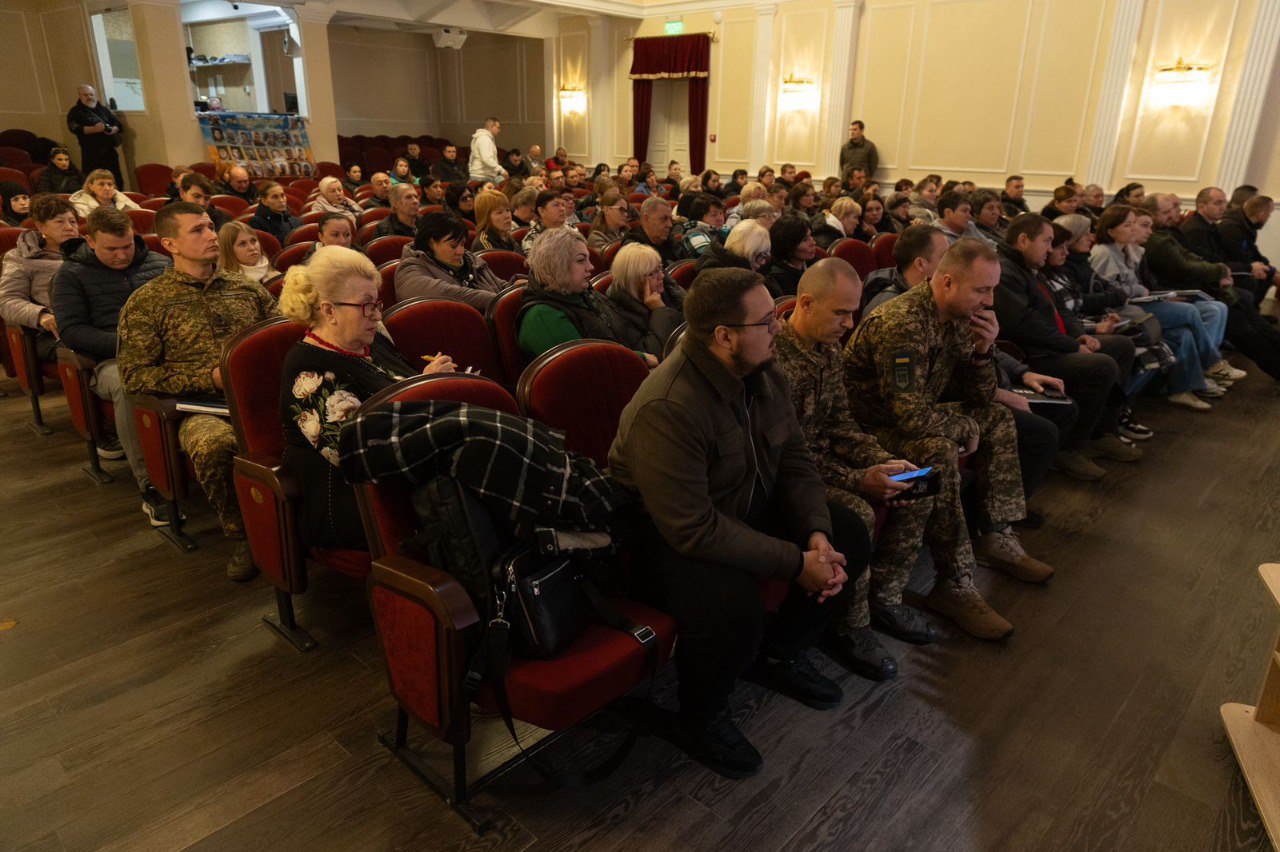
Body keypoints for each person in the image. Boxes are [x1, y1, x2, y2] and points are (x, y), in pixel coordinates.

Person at [609, 265, 864, 779]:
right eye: (768, 321)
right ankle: (701, 715)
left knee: (848, 532)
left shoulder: (762, 374)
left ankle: (780, 655)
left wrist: (814, 533)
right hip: (656, 540)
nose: (780, 326)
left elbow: (794, 460)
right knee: (731, 605)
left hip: (737, 505)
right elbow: (692, 528)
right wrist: (796, 562)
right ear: (724, 336)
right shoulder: (668, 404)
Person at [780, 257, 1013, 662]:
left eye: (852, 312)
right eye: (841, 313)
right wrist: (861, 479)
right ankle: (851, 626)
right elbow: (790, 457)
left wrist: (885, 463)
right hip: (791, 476)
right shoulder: (776, 364)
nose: (851, 324)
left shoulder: (827, 348)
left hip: (833, 456)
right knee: (860, 514)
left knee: (920, 479)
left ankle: (887, 597)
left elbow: (843, 426)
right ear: (805, 303)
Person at [845, 239, 1056, 610]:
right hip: (869, 427)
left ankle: (995, 535)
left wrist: (983, 351)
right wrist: (962, 427)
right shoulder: (902, 324)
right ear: (946, 283)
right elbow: (908, 418)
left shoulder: (961, 318)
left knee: (997, 417)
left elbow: (979, 398)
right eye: (982, 290)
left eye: (991, 289)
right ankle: (954, 580)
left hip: (913, 414)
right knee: (938, 450)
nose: (990, 301)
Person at [118, 202, 279, 581]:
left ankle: (301, 525)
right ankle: (243, 536)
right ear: (170, 244)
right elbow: (134, 374)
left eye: (210, 227)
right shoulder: (148, 302)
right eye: (198, 230)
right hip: (201, 407)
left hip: (259, 397)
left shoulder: (246, 289)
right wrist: (209, 378)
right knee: (213, 445)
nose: (211, 235)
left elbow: (280, 339)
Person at [278, 246, 455, 548]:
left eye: (376, 304)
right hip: (358, 501)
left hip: (412, 469)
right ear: (329, 311)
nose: (376, 315)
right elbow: (360, 455)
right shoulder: (307, 372)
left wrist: (431, 382)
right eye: (366, 306)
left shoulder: (371, 338)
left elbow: (400, 394)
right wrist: (429, 393)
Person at [51, 206, 171, 520]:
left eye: (127, 246)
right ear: (90, 241)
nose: (121, 256)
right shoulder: (71, 275)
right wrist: (127, 344)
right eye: (111, 249)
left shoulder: (160, 263)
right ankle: (151, 486)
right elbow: (72, 331)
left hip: (170, 352)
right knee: (128, 384)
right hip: (111, 360)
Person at [993, 214, 1140, 464]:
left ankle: (1103, 431)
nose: (1051, 249)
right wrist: (1073, 346)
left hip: (1056, 344)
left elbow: (1060, 308)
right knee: (1102, 365)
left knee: (1123, 346)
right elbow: (1025, 326)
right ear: (1023, 240)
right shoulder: (1006, 271)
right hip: (1034, 354)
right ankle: (1071, 447)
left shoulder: (1030, 268)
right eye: (1047, 241)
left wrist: (1079, 335)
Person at [1090, 205, 1229, 410]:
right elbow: (1106, 293)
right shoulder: (1104, 253)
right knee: (1191, 311)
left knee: (1183, 334)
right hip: (1122, 313)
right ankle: (1211, 362)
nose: (1133, 229)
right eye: (1128, 225)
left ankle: (1183, 388)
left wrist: (1144, 291)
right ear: (1111, 230)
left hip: (1136, 306)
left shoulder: (1127, 250)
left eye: (1133, 224)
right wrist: (1137, 289)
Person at [1141, 192, 1280, 380]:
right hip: (1184, 289)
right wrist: (1220, 271)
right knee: (1241, 320)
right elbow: (1185, 267)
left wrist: (1220, 270)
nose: (1176, 213)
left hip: (1199, 284)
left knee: (1247, 311)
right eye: (1169, 210)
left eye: (1175, 208)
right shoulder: (1167, 236)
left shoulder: (1169, 232)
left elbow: (1193, 256)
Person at [517, 227, 652, 363]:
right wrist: (641, 357)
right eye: (581, 261)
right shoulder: (543, 317)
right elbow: (588, 366)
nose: (591, 266)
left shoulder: (582, 293)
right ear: (557, 265)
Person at [1, 194, 78, 364]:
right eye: (60, 222)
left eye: (72, 221)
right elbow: (7, 300)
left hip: (93, 322)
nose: (69, 227)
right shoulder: (20, 257)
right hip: (54, 331)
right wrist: (41, 315)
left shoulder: (89, 253)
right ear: (41, 227)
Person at [1181, 186, 1273, 307]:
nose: (1223, 207)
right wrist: (1249, 267)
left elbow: (1223, 258)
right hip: (1206, 281)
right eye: (1218, 203)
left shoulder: (1211, 226)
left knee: (1259, 277)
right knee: (1248, 286)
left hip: (1219, 273)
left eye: (1225, 202)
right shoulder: (1196, 229)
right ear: (1201, 206)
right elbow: (1207, 262)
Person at [395, 212, 506, 310]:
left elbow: (497, 283)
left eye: (462, 243)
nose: (461, 251)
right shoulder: (409, 268)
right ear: (432, 243)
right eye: (453, 246)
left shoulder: (467, 257)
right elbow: (444, 292)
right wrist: (499, 300)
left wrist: (513, 286)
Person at [606, 243, 684, 358]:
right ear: (635, 279)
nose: (662, 275)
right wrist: (659, 311)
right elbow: (653, 354)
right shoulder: (619, 311)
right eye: (654, 272)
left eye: (660, 268)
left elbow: (693, 322)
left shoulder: (666, 288)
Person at [862, 225, 948, 315]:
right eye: (945, 257)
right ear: (920, 264)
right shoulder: (891, 311)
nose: (951, 264)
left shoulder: (926, 296)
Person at [66, 85, 123, 186]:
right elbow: (74, 128)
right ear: (80, 96)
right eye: (86, 95)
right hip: (91, 153)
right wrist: (94, 129)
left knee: (115, 180)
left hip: (109, 151)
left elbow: (118, 125)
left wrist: (113, 130)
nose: (89, 97)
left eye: (91, 94)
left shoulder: (103, 109)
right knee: (94, 182)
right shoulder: (75, 111)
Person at [1218, 195, 1275, 286]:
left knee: (1270, 274)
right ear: (1261, 214)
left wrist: (1271, 269)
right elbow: (1236, 257)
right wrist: (1254, 267)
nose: (1268, 217)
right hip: (1227, 268)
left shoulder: (1248, 226)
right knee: (1258, 279)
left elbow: (1254, 252)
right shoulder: (1231, 227)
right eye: (1269, 214)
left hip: (1240, 265)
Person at [763, 214, 817, 298]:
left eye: (811, 236)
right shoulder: (779, 277)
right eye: (805, 240)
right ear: (788, 245)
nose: (813, 243)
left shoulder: (814, 262)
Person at [695, 219, 772, 277]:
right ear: (742, 250)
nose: (763, 262)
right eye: (759, 255)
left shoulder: (744, 268)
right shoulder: (715, 275)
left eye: (764, 255)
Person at [622, 196, 686, 265]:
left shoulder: (669, 240)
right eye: (664, 219)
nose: (670, 225)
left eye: (670, 219)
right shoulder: (633, 249)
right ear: (646, 220)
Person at [217, 220, 280, 285]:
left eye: (254, 240)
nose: (252, 248)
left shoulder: (275, 275)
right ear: (229, 251)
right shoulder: (227, 285)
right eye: (242, 244)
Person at [69, 170, 141, 219]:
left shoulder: (125, 202)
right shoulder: (81, 207)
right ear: (91, 186)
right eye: (101, 184)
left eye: (110, 184)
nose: (107, 188)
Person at [520, 189, 573, 253]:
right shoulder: (532, 239)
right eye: (556, 205)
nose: (562, 209)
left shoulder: (571, 228)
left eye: (563, 205)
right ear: (541, 211)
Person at [472, 189, 520, 253]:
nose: (507, 216)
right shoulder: (483, 243)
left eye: (508, 210)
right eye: (500, 212)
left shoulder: (506, 236)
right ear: (486, 217)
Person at [468, 117, 506, 183]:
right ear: (492, 127)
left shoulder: (484, 138)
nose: (499, 130)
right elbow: (486, 158)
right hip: (481, 177)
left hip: (483, 176)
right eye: (498, 127)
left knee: (502, 180)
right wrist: (502, 170)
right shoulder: (484, 139)